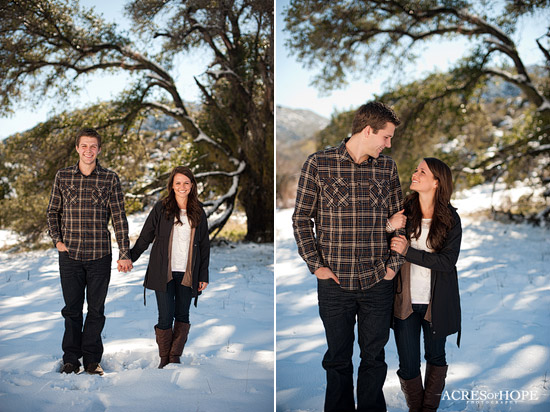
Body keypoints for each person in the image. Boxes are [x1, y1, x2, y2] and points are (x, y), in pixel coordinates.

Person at [293, 101, 405, 412]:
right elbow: (302, 219)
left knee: (374, 359)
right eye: (386, 136)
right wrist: (317, 266)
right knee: (338, 360)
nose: (389, 144)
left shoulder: (388, 168)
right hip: (334, 284)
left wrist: (392, 269)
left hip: (377, 283)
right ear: (368, 131)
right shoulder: (318, 164)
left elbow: (399, 221)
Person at [47, 127, 132, 376]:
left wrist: (124, 252)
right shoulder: (63, 177)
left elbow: (119, 217)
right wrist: (57, 241)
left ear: (99, 149)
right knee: (72, 310)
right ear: (77, 148)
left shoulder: (110, 178)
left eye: (93, 146)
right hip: (70, 256)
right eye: (84, 146)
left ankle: (93, 361)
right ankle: (71, 359)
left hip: (100, 256)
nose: (88, 150)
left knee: (96, 311)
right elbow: (52, 211)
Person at [389, 158, 462, 412]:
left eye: (422, 171)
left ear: (436, 182)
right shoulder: (403, 212)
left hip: (436, 305)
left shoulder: (451, 219)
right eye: (416, 169)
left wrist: (409, 252)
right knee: (408, 365)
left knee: (436, 358)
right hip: (404, 304)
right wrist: (389, 227)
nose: (415, 173)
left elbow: (447, 262)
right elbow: (384, 241)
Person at [130, 166, 210, 369]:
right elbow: (146, 236)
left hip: (188, 273)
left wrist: (203, 275)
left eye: (186, 183)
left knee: (182, 316)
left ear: (192, 185)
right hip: (163, 272)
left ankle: (175, 357)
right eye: (178, 183)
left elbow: (204, 246)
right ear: (171, 186)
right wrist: (129, 257)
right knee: (165, 316)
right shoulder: (161, 208)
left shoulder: (199, 211)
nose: (182, 187)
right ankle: (164, 358)